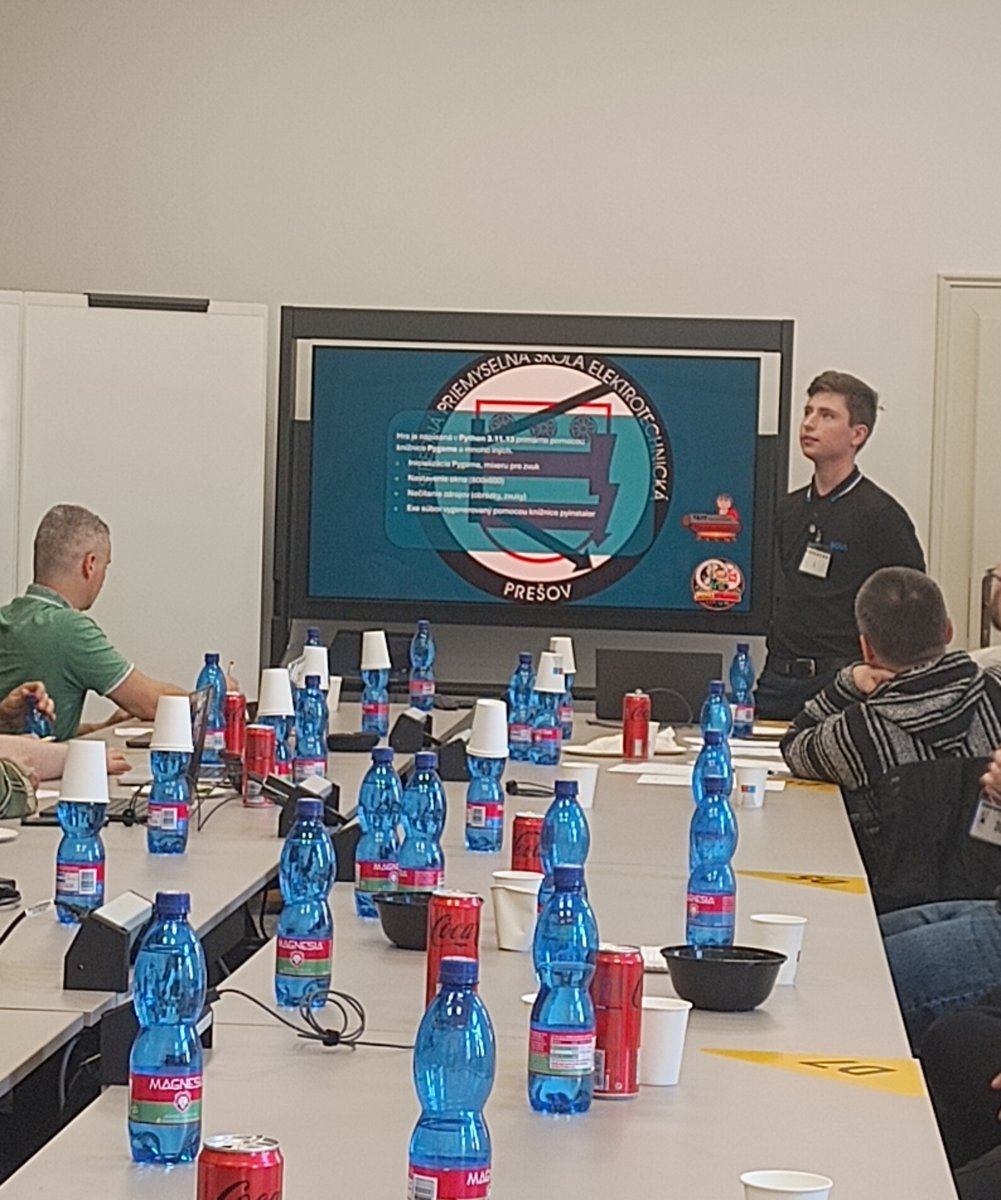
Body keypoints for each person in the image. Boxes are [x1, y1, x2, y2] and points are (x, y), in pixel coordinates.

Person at [755, 370, 925, 721]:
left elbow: (911, 606)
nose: (809, 424)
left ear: (857, 435)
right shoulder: (788, 509)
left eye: (827, 415)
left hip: (843, 680)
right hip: (779, 678)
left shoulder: (882, 515)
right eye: (808, 412)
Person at [780, 567, 1001, 792]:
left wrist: (847, 684)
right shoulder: (996, 689)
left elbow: (793, 745)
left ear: (866, 649)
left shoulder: (856, 735)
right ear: (948, 631)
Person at [0, 504, 186, 740]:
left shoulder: (7, 618)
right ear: (89, 564)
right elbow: (151, 704)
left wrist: (101, 727)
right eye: (104, 567)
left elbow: (29, 736)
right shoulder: (70, 629)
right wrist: (213, 698)